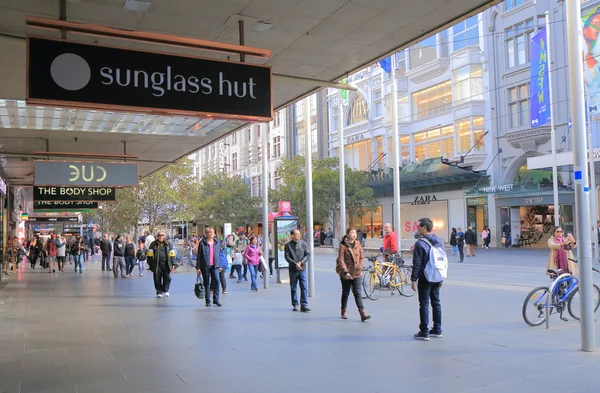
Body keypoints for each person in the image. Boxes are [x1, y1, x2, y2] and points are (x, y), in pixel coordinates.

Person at [411, 217, 444, 341]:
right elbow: (441, 261)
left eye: (419, 227)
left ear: (424, 228)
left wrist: (413, 279)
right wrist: (441, 278)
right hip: (437, 276)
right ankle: (437, 329)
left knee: (424, 303)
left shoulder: (420, 243)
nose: (417, 229)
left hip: (425, 277)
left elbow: (417, 263)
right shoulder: (439, 240)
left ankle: (424, 331)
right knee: (436, 302)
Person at [336, 228, 370, 321]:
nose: (354, 235)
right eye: (352, 233)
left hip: (356, 272)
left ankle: (362, 313)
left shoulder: (358, 244)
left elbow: (362, 257)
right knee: (346, 293)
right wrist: (346, 272)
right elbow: (341, 260)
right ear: (347, 234)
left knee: (357, 293)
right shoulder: (342, 245)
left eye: (355, 233)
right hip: (346, 273)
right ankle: (343, 311)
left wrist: (361, 266)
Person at [196, 227, 226, 307]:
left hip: (215, 265)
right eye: (210, 232)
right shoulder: (202, 243)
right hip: (205, 265)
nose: (211, 233)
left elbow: (219, 254)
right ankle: (208, 300)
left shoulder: (217, 242)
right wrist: (198, 267)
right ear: (206, 234)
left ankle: (216, 299)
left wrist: (219, 265)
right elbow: (199, 255)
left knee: (217, 281)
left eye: (212, 232)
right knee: (207, 283)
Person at [284, 229, 311, 312]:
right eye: (297, 235)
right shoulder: (288, 245)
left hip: (302, 268)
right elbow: (287, 257)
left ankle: (304, 304)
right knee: (293, 287)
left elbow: (307, 254)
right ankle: (295, 304)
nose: (298, 236)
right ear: (292, 235)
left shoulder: (303, 243)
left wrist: (301, 262)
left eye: (299, 235)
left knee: (304, 286)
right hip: (293, 269)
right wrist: (295, 263)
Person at [147, 232, 176, 298]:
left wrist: (173, 264)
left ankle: (165, 290)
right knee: (157, 278)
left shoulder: (168, 244)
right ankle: (159, 292)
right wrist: (150, 264)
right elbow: (149, 255)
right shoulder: (153, 244)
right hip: (156, 264)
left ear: (164, 236)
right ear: (157, 236)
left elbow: (172, 254)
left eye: (162, 235)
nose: (160, 236)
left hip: (166, 264)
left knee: (167, 278)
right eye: (159, 235)